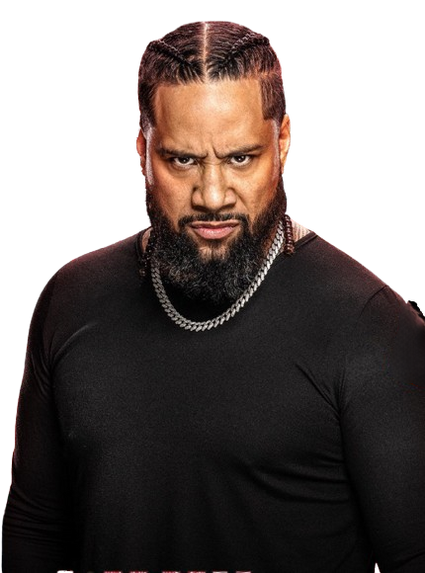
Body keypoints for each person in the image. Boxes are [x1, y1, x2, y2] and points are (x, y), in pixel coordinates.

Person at [1, 17, 424, 573]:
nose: (213, 195)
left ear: (284, 142)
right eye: (183, 160)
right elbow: (33, 530)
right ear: (140, 149)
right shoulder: (69, 298)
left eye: (240, 158)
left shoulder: (370, 324)